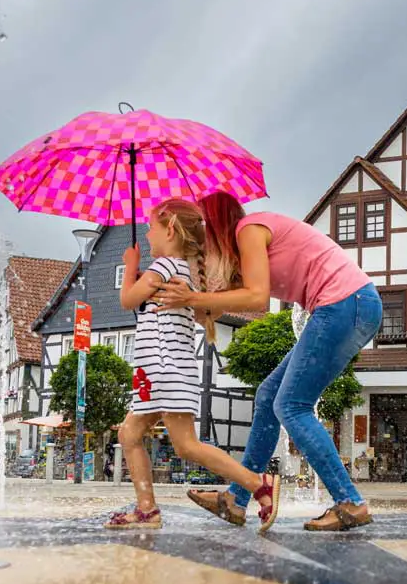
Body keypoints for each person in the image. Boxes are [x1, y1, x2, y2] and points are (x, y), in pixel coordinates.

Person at [157, 192, 382, 532]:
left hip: (344, 303)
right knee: (268, 396)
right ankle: (237, 499)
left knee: (291, 405)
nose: (201, 235)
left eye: (203, 224)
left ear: (215, 220)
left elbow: (257, 298)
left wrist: (192, 298)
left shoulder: (250, 229)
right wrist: (188, 300)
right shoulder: (242, 252)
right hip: (353, 306)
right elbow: (219, 305)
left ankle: (350, 502)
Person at [106, 199, 279, 531]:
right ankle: (147, 509)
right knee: (130, 433)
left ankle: (258, 485)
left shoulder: (166, 267)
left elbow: (127, 299)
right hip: (159, 369)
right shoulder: (177, 270)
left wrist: (130, 266)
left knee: (186, 445)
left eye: (151, 227)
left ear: (169, 229)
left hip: (163, 369)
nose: (146, 231)